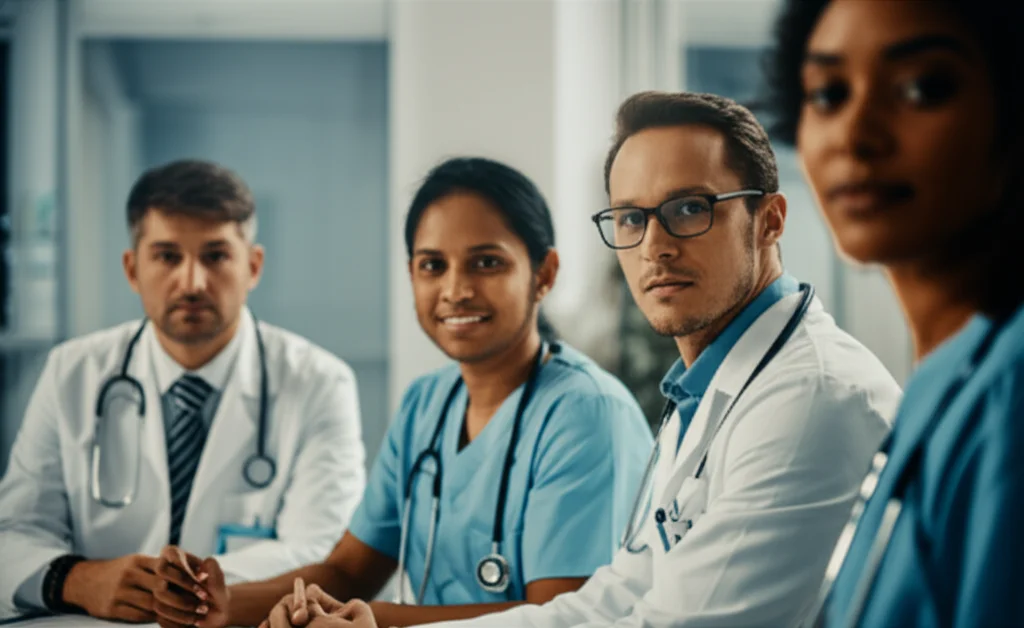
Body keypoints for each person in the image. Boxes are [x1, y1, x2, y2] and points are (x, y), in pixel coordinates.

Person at [258, 93, 905, 628]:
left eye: (688, 209)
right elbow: (609, 600)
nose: (654, 247)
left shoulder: (808, 400)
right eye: (630, 218)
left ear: (769, 219)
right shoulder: (706, 392)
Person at [152, 157, 654, 628]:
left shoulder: (587, 413)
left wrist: (377, 621)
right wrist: (221, 606)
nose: (455, 289)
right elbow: (349, 572)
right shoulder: (426, 405)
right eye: (432, 265)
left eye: (486, 263)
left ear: (543, 274)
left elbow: (563, 616)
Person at [0, 160, 368, 621]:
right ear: (133, 269)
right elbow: (14, 531)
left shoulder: (319, 382)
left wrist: (177, 590)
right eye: (168, 256)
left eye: (215, 256)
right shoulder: (72, 372)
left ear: (252, 266)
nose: (192, 282)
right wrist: (73, 579)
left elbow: (324, 547)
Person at [763, 1, 1024, 626]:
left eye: (923, 88)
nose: (856, 134)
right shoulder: (947, 376)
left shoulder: (1011, 388)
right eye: (828, 94)